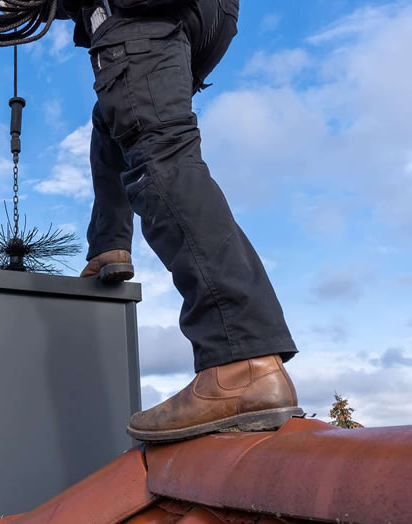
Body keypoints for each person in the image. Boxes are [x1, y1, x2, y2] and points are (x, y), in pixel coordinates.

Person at [55, 0, 303, 442]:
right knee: (116, 114)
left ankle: (242, 363)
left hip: (135, 10)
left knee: (159, 154)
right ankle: (109, 241)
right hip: (213, 14)